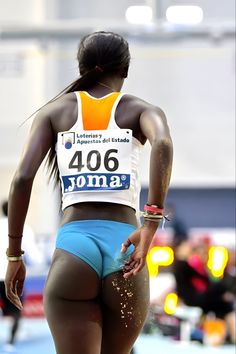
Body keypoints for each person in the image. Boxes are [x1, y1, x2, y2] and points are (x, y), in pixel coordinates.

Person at [4, 31, 173, 354]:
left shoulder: (55, 113)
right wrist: (150, 223)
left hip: (74, 250)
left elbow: (22, 179)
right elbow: (163, 144)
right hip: (124, 252)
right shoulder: (140, 109)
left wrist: (14, 256)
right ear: (124, 71)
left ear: (81, 69)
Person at [172, 238, 236, 344]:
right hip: (191, 298)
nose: (188, 247)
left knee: (223, 304)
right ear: (179, 249)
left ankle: (227, 335)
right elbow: (202, 278)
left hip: (194, 297)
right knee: (219, 287)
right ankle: (227, 335)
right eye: (186, 245)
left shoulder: (185, 263)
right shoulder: (181, 263)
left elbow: (203, 279)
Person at [0, 200, 43, 352]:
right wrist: (40, 262)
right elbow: (35, 255)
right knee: (16, 310)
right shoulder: (24, 228)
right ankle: (10, 342)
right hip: (12, 275)